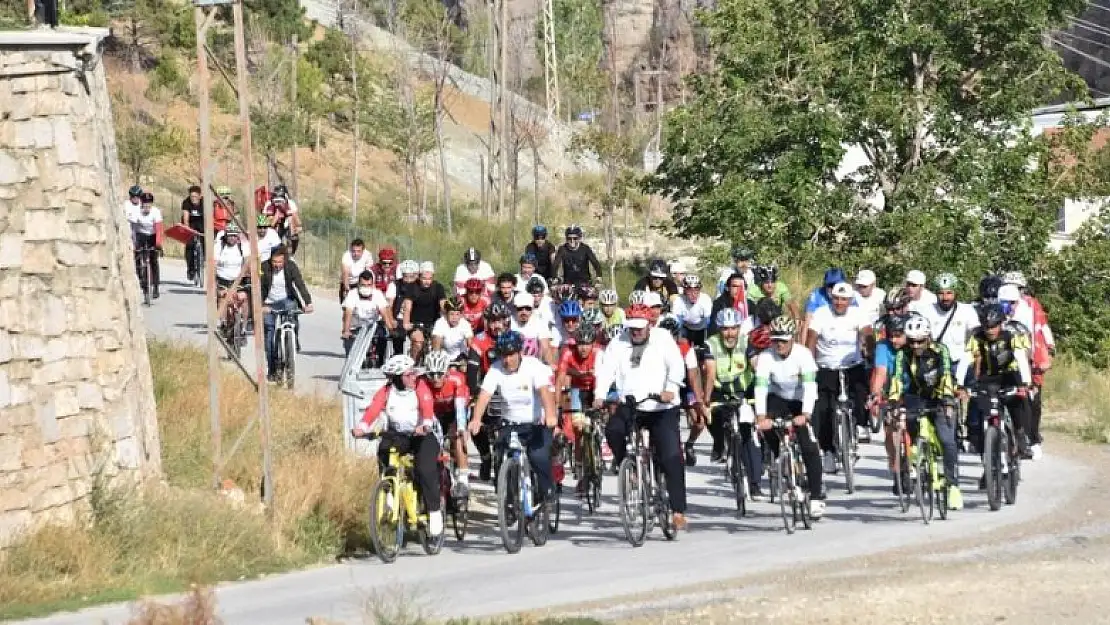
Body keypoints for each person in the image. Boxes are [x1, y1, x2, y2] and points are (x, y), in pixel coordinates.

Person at [594, 304, 689, 530]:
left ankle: (677, 510)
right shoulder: (618, 343)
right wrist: (599, 395)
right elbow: (607, 370)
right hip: (632, 404)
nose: (636, 332)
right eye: (632, 328)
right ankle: (629, 467)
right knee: (613, 431)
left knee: (671, 455)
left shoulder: (663, 339)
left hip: (661, 406)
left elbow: (676, 366)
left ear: (650, 325)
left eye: (640, 327)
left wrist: (670, 389)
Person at [352, 354, 443, 537]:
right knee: (384, 450)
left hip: (423, 435)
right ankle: (389, 491)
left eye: (413, 374)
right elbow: (374, 409)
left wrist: (425, 424)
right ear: (397, 378)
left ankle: (434, 512)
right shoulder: (386, 391)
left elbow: (427, 407)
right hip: (398, 435)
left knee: (425, 469)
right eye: (408, 374)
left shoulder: (420, 387)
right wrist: (362, 428)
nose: (413, 377)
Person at [468, 331, 559, 505]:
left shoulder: (534, 366)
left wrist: (550, 415)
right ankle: (509, 502)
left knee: (537, 456)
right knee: (501, 456)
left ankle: (547, 490)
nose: (507, 360)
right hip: (510, 423)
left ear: (519, 352)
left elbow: (544, 392)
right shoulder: (495, 369)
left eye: (510, 355)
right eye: (503, 355)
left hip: (535, 423)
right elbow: (485, 395)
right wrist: (476, 418)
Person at [753, 316, 826, 518]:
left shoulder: (803, 355)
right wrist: (761, 417)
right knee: (767, 425)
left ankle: (816, 496)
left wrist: (806, 414)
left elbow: (811, 387)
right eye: (775, 340)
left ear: (792, 339)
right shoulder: (766, 357)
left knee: (809, 446)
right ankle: (779, 456)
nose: (779, 345)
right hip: (779, 398)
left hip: (803, 400)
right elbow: (760, 387)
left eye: (783, 341)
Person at [887, 315, 961, 509]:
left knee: (947, 440)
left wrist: (947, 399)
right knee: (908, 428)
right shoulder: (903, 354)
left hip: (939, 396)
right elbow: (896, 378)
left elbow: (946, 374)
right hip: (916, 397)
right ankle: (913, 466)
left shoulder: (940, 350)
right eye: (911, 341)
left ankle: (953, 486)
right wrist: (894, 400)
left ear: (928, 337)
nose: (916, 345)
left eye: (920, 341)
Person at [955, 304, 1034, 472]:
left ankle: (1021, 434)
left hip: (1011, 377)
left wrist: (1025, 384)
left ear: (1001, 323)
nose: (990, 330)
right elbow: (966, 359)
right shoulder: (977, 337)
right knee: (979, 415)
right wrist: (960, 385)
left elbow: (1020, 358)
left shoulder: (1010, 336)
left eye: (994, 326)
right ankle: (988, 466)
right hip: (987, 378)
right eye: (986, 326)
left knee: (1018, 404)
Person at [806, 281, 872, 468]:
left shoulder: (857, 313)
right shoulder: (821, 314)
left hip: (851, 364)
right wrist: (809, 364)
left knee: (861, 391)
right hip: (826, 366)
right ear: (831, 298)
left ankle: (860, 425)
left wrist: (869, 348)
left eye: (844, 299)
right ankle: (827, 450)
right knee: (823, 410)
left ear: (850, 300)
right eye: (836, 298)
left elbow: (867, 332)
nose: (840, 303)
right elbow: (811, 339)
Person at [702, 309, 757, 490]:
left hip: (744, 390)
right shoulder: (711, 344)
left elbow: (756, 365)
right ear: (719, 329)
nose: (730, 333)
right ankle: (719, 443)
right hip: (720, 391)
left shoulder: (746, 341)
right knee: (710, 418)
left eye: (734, 328)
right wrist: (706, 401)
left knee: (747, 432)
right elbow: (710, 374)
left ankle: (755, 482)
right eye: (725, 329)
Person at [1001, 271, 1054, 460]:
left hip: (1029, 357)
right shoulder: (998, 306)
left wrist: (1048, 350)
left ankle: (1033, 439)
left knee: (1032, 401)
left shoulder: (1031, 306)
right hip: (1003, 360)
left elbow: (1041, 328)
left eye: (1019, 289)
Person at [465, 301, 513, 481]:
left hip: (511, 386)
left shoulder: (514, 337)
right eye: (492, 321)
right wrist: (474, 393)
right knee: (474, 422)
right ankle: (485, 457)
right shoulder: (479, 340)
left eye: (500, 320)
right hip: (487, 386)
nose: (496, 325)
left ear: (506, 321)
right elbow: (472, 371)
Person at [260, 246, 314, 381]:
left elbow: (299, 283)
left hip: (286, 299)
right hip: (268, 302)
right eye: (274, 262)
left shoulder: (291, 266)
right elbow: (258, 287)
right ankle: (272, 369)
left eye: (280, 262)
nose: (277, 265)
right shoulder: (263, 267)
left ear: (285, 260)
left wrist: (308, 302)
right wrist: (260, 305)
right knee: (269, 335)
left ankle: (292, 339)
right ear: (270, 260)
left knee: (293, 316)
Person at [425, 349, 471, 495]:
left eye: (440, 374)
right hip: (435, 414)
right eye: (431, 374)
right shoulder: (423, 383)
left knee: (457, 437)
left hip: (455, 410)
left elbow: (460, 408)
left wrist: (462, 428)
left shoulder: (456, 379)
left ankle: (464, 479)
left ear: (447, 372)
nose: (436, 378)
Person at [923, 274, 980, 383]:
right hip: (936, 364)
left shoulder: (967, 310)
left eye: (949, 293)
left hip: (961, 363)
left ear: (956, 293)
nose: (945, 298)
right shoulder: (926, 311)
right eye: (941, 293)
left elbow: (976, 338)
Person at [342, 270, 395, 366]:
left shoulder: (377, 294)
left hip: (373, 327)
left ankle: (380, 365)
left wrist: (391, 329)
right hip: (356, 327)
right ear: (358, 284)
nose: (366, 287)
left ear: (373, 284)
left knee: (383, 339)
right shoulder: (352, 294)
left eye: (369, 285)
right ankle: (351, 367)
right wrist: (346, 330)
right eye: (363, 285)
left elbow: (384, 313)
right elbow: (348, 313)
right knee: (350, 348)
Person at [128, 191, 164, 299]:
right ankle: (142, 281)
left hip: (152, 235)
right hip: (140, 235)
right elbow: (133, 229)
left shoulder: (155, 212)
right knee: (138, 256)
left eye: (149, 204)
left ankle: (156, 286)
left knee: (153, 260)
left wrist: (158, 243)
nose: (147, 207)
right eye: (145, 204)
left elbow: (159, 229)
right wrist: (134, 244)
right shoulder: (136, 213)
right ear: (141, 204)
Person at [214, 224, 250, 317]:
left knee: (244, 298)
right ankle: (222, 323)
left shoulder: (242, 245)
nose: (232, 238)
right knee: (222, 298)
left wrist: (243, 275)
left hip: (238, 279)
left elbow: (247, 262)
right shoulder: (219, 245)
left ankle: (244, 327)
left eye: (234, 235)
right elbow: (214, 263)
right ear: (225, 235)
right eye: (230, 235)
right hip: (222, 279)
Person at [670, 274, 714, 346]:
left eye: (696, 290)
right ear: (684, 291)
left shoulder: (705, 299)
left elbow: (708, 323)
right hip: (686, 327)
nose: (693, 294)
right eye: (689, 291)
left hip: (701, 328)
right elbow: (677, 322)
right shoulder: (679, 300)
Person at [512, 291, 554, 362]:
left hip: (534, 363)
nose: (524, 312)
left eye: (527, 308)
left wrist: (549, 365)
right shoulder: (509, 322)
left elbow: (545, 348)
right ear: (515, 308)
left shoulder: (540, 322)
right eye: (520, 309)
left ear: (533, 308)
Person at [431, 297, 474, 365]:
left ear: (461, 315)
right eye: (451, 314)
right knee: (437, 338)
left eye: (457, 314)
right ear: (446, 314)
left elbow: (470, 343)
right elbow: (436, 340)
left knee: (464, 369)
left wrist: (471, 360)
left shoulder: (465, 324)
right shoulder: (440, 322)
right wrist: (437, 359)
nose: (454, 317)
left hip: (460, 355)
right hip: (443, 354)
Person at [262, 185, 302, 255]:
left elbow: (298, 221)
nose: (278, 203)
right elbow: (263, 221)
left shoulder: (290, 203)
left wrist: (296, 227)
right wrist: (275, 217)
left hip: (287, 223)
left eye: (280, 200)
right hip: (273, 224)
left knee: (291, 221)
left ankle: (291, 251)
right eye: (276, 200)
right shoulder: (269, 204)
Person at [180, 185, 205, 282]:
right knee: (189, 245)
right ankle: (190, 269)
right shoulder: (186, 202)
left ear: (200, 196)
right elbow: (186, 217)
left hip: (202, 222)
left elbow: (208, 216)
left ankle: (202, 261)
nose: (193, 199)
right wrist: (187, 229)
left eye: (195, 197)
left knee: (205, 242)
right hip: (190, 223)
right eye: (191, 197)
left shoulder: (204, 203)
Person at [340, 239, 373, 304]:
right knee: (346, 305)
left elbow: (369, 274)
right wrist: (347, 290)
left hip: (360, 283)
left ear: (363, 250)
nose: (356, 253)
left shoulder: (368, 255)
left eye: (358, 251)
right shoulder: (346, 255)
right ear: (350, 249)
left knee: (361, 304)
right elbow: (345, 273)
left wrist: (370, 288)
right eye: (353, 251)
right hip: (348, 282)